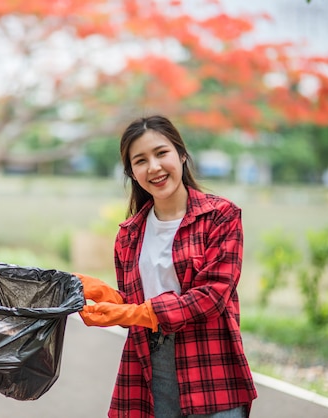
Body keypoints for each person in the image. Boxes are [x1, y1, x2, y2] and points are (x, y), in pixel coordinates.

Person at [75, 115, 257, 417]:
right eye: (141, 160)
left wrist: (139, 312)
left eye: (161, 153)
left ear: (181, 155)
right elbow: (134, 309)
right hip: (149, 366)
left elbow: (212, 296)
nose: (154, 167)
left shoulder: (220, 216)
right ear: (132, 173)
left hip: (210, 367)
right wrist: (109, 299)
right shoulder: (129, 234)